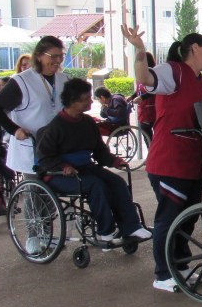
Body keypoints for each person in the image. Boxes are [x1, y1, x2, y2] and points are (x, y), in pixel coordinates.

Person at [122, 25, 202, 292]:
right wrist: (139, 50)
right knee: (169, 218)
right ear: (194, 48)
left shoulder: (201, 80)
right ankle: (163, 274)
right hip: (169, 161)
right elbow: (144, 78)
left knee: (187, 218)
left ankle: (181, 264)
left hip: (194, 162)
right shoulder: (172, 72)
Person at [35, 79, 152, 244]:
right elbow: (44, 157)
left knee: (117, 182)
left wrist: (114, 161)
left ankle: (131, 227)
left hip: (85, 167)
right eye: (86, 99)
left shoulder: (88, 122)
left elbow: (99, 150)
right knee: (96, 185)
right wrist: (63, 166)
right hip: (57, 174)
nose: (91, 101)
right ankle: (106, 231)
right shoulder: (55, 127)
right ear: (73, 101)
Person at [0, 36, 70, 174]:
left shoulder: (64, 79)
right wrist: (14, 130)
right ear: (39, 56)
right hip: (31, 148)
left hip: (58, 148)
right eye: (53, 56)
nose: (58, 60)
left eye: (61, 56)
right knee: (34, 186)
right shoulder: (22, 81)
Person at [129, 52, 157, 143]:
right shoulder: (140, 74)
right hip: (143, 110)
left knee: (157, 135)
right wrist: (132, 96)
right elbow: (139, 89)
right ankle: (151, 150)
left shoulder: (154, 74)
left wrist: (142, 97)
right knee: (146, 135)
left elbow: (156, 90)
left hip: (154, 109)